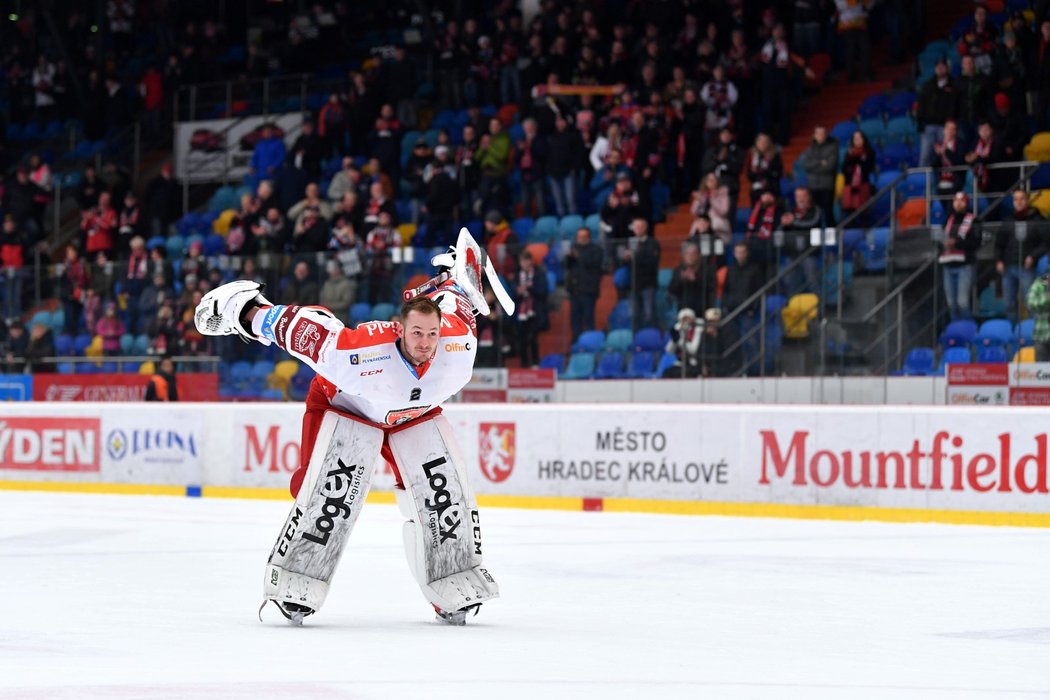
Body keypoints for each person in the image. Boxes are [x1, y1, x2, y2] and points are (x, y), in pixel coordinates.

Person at [193, 231, 503, 626]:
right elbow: (301, 330)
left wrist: (460, 280)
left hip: (414, 415)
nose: (425, 344)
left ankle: (451, 579)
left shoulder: (458, 349)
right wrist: (246, 310)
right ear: (399, 329)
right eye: (416, 333)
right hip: (347, 406)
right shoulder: (357, 353)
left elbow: (459, 307)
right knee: (324, 495)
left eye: (432, 334)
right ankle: (299, 574)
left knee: (442, 497)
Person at [996, 190, 1047, 323]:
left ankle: (1030, 333)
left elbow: (1046, 243)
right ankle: (1012, 334)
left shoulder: (1037, 219)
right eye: (1015, 199)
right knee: (1009, 304)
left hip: (1027, 267)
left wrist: (1033, 256)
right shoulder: (1008, 220)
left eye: (1021, 199)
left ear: (1028, 201)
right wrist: (999, 260)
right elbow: (999, 243)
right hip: (1008, 267)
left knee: (1031, 303)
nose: (1018, 202)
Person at [939, 191, 982, 321]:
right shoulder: (947, 220)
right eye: (956, 201)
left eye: (961, 200)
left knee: (962, 303)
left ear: (966, 203)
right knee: (951, 304)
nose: (958, 203)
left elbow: (976, 242)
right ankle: (956, 333)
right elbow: (940, 239)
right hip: (948, 264)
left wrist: (957, 243)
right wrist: (942, 244)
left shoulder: (974, 220)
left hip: (965, 265)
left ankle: (967, 332)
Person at [565, 226, 604, 341]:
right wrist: (569, 257)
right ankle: (577, 342)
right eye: (579, 237)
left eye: (584, 237)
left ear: (589, 238)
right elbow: (567, 265)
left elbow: (594, 264)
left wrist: (579, 256)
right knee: (575, 318)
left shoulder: (596, 250)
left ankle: (589, 342)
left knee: (588, 318)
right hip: (575, 290)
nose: (581, 239)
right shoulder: (573, 249)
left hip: (588, 290)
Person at [663, 307, 703, 378]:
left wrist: (679, 340)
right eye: (684, 319)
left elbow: (693, 350)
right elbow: (669, 351)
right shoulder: (678, 329)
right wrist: (674, 339)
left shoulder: (697, 330)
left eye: (688, 319)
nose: (686, 322)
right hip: (680, 363)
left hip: (693, 363)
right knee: (666, 373)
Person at [1026, 271, 1050, 361]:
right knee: (1041, 370)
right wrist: (1047, 298)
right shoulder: (1038, 284)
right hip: (1041, 335)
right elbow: (1030, 303)